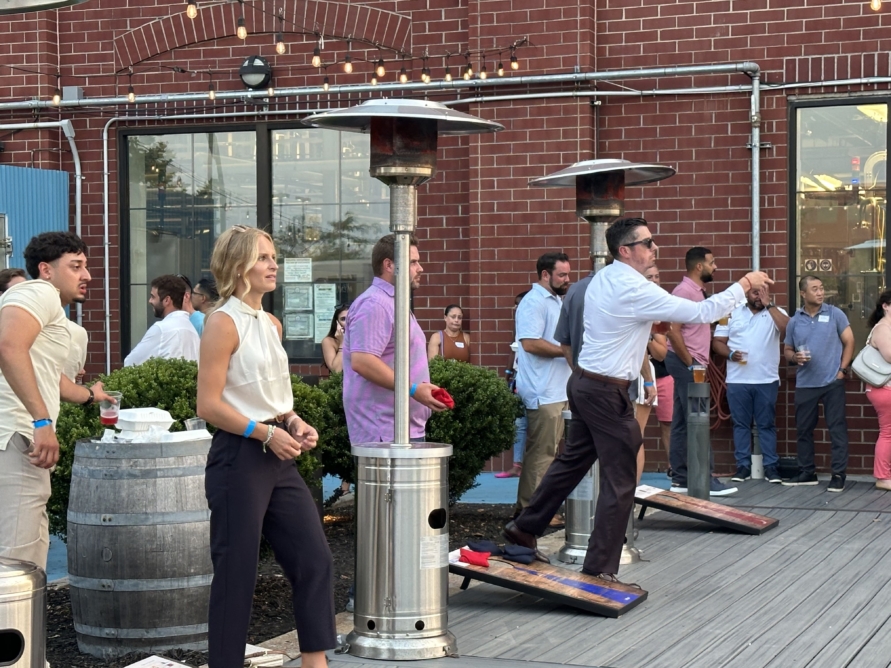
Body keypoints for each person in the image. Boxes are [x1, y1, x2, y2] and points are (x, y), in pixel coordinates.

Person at [503, 217, 771, 584]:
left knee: (570, 464)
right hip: (604, 391)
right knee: (621, 478)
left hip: (585, 384)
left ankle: (523, 530)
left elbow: (629, 322)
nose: (654, 247)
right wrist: (745, 283)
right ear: (625, 250)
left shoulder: (606, 278)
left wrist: (651, 324)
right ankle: (599, 567)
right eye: (646, 242)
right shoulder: (630, 286)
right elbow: (700, 313)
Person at [197, 225, 334, 668]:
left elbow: (272, 391)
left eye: (272, 256)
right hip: (239, 458)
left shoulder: (270, 323)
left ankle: (316, 662)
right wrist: (266, 433)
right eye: (261, 257)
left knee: (313, 558)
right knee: (237, 574)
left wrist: (293, 421)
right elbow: (208, 404)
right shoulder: (223, 322)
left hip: (279, 452)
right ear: (237, 266)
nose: (273, 264)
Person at [0, 231, 113, 570]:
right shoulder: (39, 291)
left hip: (19, 442)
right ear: (46, 270)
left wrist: (91, 396)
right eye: (76, 266)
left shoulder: (52, 312)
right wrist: (41, 421)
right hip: (19, 440)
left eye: (86, 266)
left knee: (26, 556)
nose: (87, 275)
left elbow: (51, 377)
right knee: (14, 566)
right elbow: (7, 346)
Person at [342, 233, 449, 444]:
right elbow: (363, 361)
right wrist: (413, 389)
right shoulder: (375, 304)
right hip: (384, 430)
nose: (420, 268)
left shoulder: (391, 302)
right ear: (389, 265)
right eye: (413, 262)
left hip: (397, 428)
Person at [665, 247, 737, 496]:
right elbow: (672, 330)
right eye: (712, 262)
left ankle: (682, 478)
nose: (715, 267)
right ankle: (705, 479)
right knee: (698, 419)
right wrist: (691, 363)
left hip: (688, 362)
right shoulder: (685, 292)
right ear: (699, 267)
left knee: (683, 422)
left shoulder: (695, 292)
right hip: (688, 363)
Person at [782, 275, 854, 492]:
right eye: (814, 289)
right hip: (805, 384)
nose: (820, 292)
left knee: (837, 429)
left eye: (822, 288)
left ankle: (838, 475)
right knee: (803, 430)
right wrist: (795, 358)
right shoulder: (795, 320)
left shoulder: (835, 314)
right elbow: (787, 350)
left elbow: (849, 341)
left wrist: (842, 370)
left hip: (832, 381)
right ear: (803, 293)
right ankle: (807, 472)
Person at [514, 252, 572, 517]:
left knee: (550, 455)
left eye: (568, 274)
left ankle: (540, 510)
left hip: (558, 390)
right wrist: (567, 351)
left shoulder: (556, 301)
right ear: (545, 274)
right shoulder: (533, 302)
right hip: (543, 392)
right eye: (562, 274)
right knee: (541, 455)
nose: (567, 279)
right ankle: (529, 513)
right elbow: (530, 343)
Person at [713, 283, 789, 484]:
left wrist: (769, 305)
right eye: (755, 292)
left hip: (766, 379)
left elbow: (788, 330)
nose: (759, 296)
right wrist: (730, 354)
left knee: (766, 424)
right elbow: (717, 342)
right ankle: (743, 467)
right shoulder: (731, 313)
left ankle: (771, 467)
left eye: (763, 292)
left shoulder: (776, 312)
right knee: (740, 425)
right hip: (738, 380)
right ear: (746, 294)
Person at [124, 274, 200, 366]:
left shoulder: (161, 329)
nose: (150, 301)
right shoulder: (192, 330)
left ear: (167, 300)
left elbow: (131, 363)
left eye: (153, 297)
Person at [643, 266, 674, 473]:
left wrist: (646, 336)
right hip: (635, 377)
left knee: (668, 424)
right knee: (636, 426)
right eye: (649, 277)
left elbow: (661, 353)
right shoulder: (632, 302)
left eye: (657, 276)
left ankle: (673, 466)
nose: (654, 280)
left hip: (662, 375)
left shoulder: (661, 306)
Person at [497, 292, 529, 479]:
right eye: (515, 305)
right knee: (519, 423)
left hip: (532, 379)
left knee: (537, 424)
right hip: (517, 377)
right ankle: (517, 465)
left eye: (519, 305)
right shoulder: (518, 325)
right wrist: (509, 372)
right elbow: (513, 348)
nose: (515, 309)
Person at [863, 290, 891, 491]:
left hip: (885, 388)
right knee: (888, 433)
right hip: (884, 388)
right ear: (886, 306)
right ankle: (882, 477)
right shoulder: (883, 328)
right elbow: (889, 356)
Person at [322, 305, 349, 374]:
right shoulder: (329, 341)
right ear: (337, 323)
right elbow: (336, 371)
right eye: (343, 319)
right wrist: (342, 342)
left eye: (351, 318)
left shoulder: (363, 338)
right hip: (341, 382)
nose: (348, 322)